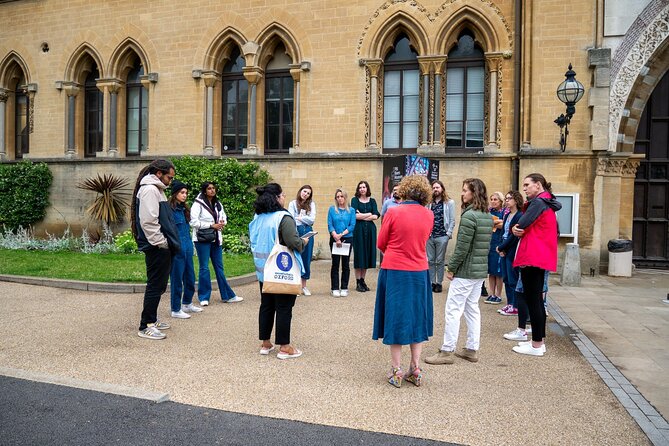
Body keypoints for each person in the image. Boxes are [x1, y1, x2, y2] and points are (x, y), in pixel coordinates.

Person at [373, 175, 434, 388]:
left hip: (395, 269)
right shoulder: (429, 214)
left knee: (396, 318)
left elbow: (381, 242)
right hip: (419, 270)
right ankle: (415, 368)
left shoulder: (393, 211)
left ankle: (397, 370)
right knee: (417, 318)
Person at [425, 178, 492, 365]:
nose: (462, 194)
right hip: (479, 272)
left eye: (465, 190)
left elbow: (462, 247)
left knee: (453, 310)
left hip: (466, 271)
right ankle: (471, 349)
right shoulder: (486, 214)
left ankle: (446, 351)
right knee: (472, 309)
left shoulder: (470, 216)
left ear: (474, 193)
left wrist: (451, 267)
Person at [249, 183, 309, 359]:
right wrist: (303, 242)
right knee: (284, 307)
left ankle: (266, 343)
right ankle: (285, 347)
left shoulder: (258, 217)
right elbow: (294, 242)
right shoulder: (284, 217)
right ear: (276, 198)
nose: (284, 198)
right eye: (282, 195)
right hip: (282, 270)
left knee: (266, 305)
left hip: (263, 270)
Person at [511, 173, 561, 357]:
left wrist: (515, 228)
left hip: (533, 255)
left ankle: (537, 345)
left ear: (538, 185)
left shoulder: (539, 203)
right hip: (540, 256)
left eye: (526, 185)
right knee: (537, 301)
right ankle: (538, 342)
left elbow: (521, 224)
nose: (524, 189)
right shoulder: (547, 202)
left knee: (534, 301)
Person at [131, 158, 180, 340]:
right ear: (159, 173)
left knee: (159, 284)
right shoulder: (150, 190)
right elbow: (149, 221)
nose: (170, 180)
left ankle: (153, 318)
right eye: (169, 177)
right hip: (156, 246)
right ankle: (146, 325)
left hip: (159, 245)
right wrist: (161, 242)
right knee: (155, 285)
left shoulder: (156, 189)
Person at [190, 182, 243, 306]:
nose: (212, 190)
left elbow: (223, 215)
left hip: (216, 239)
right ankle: (204, 297)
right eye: (209, 188)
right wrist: (211, 225)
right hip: (202, 240)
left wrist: (222, 222)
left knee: (219, 268)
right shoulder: (198, 204)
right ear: (204, 191)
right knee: (204, 268)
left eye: (213, 188)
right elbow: (193, 222)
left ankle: (227, 295)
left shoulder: (218, 203)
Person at [168, 180, 203, 319]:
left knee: (190, 278)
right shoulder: (169, 210)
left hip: (187, 248)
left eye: (186, 193)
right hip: (177, 250)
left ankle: (186, 303)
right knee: (177, 280)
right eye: (182, 193)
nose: (185, 195)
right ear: (175, 193)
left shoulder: (184, 210)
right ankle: (175, 309)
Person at [496, 191, 524, 317]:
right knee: (506, 277)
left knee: (513, 278)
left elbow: (513, 236)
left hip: (512, 249)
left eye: (509, 198)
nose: (506, 201)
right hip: (504, 249)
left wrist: (502, 247)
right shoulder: (507, 215)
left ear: (516, 200)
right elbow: (503, 232)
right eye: (506, 198)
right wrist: (500, 248)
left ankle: (515, 305)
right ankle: (509, 303)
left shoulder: (519, 215)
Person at [426, 180, 456, 293]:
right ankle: (432, 282)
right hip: (430, 235)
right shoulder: (428, 203)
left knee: (439, 260)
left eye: (437, 187)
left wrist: (448, 234)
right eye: (433, 188)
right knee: (430, 260)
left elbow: (452, 220)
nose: (435, 189)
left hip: (442, 235)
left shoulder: (449, 202)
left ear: (442, 189)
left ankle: (439, 283)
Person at [351, 180, 380, 292]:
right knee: (359, 255)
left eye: (364, 187)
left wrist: (363, 215)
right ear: (358, 189)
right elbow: (354, 215)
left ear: (367, 189)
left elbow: (376, 215)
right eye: (360, 187)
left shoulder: (372, 201)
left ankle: (363, 280)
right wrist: (369, 214)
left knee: (367, 255)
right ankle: (358, 281)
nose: (362, 189)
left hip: (370, 231)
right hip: (358, 231)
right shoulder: (354, 200)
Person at [327, 188, 356, 297]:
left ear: (345, 197)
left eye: (341, 196)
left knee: (345, 264)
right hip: (334, 239)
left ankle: (344, 287)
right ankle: (334, 288)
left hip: (347, 238)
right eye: (337, 197)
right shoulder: (332, 209)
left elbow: (352, 225)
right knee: (335, 264)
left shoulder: (351, 210)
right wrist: (336, 236)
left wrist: (341, 235)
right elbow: (330, 224)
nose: (340, 198)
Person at [288, 185, 316, 296]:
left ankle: (304, 286)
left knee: (306, 258)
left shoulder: (311, 204)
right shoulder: (292, 203)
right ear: (300, 191)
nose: (306, 194)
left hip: (308, 232)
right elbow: (291, 219)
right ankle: (296, 286)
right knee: (295, 258)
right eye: (305, 191)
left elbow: (312, 220)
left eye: (308, 193)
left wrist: (300, 218)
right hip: (297, 231)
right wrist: (303, 220)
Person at [484, 191, 505, 304]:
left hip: (500, 242)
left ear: (501, 201)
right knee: (491, 271)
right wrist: (497, 223)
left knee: (499, 271)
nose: (492, 201)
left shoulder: (505, 212)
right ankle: (491, 293)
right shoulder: (488, 212)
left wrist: (496, 223)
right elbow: (487, 223)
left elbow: (504, 224)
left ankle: (498, 294)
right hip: (490, 242)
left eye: (495, 199)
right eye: (491, 199)